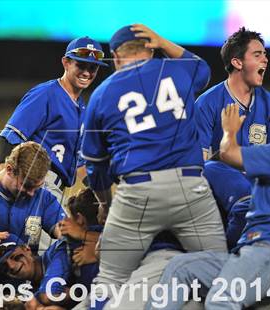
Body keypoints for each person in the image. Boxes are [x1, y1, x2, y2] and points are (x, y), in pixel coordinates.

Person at [80, 23, 227, 303]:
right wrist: (163, 41)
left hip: (138, 192)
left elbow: (95, 165)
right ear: (150, 47)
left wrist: (105, 205)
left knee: (109, 283)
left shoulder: (102, 93)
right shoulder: (177, 71)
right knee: (219, 272)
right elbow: (203, 70)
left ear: (116, 56)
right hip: (190, 187)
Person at [146, 103, 270, 310]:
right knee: (181, 269)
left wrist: (230, 131)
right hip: (259, 255)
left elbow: (228, 152)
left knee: (221, 300)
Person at [0, 36, 108, 202]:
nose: (87, 72)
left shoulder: (82, 109)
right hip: (35, 182)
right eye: (81, 65)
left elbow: (81, 166)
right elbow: (9, 138)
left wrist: (104, 199)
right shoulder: (46, 94)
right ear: (66, 62)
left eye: (93, 67)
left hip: (56, 189)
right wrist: (5, 186)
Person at [0, 142, 66, 281]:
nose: (31, 193)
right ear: (9, 169)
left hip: (23, 288)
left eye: (37, 187)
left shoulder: (44, 198)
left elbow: (67, 236)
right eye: (27, 185)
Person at [195, 27, 270, 160]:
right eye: (257, 55)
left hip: (256, 179)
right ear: (237, 62)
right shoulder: (206, 103)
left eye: (265, 54)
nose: (265, 59)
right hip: (219, 178)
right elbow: (199, 160)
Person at [0, 235, 71, 309]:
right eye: (4, 267)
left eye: (15, 257)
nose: (11, 266)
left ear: (27, 249)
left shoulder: (58, 250)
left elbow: (50, 294)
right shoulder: (28, 294)